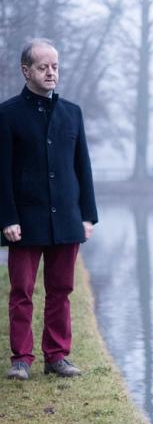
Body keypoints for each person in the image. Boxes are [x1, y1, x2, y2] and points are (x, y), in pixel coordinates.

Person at [0, 38, 98, 380]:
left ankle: (56, 356)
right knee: (22, 291)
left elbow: (82, 166)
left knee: (61, 290)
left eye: (55, 66)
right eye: (43, 67)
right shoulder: (7, 114)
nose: (51, 72)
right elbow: (2, 171)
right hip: (24, 221)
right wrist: (7, 218)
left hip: (67, 219)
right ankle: (21, 360)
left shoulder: (73, 113)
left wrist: (88, 215)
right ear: (26, 71)